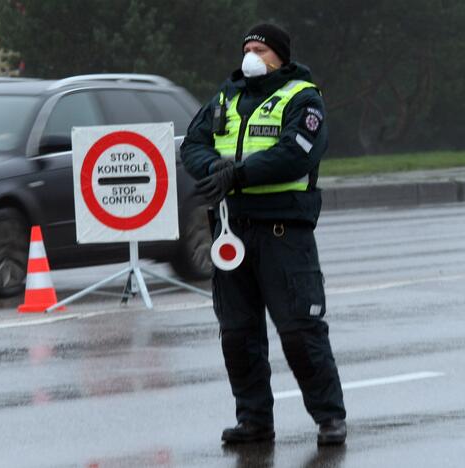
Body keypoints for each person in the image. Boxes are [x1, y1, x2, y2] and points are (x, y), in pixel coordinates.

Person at [180, 23, 347, 445]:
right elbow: (192, 145)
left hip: (282, 232)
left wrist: (237, 175)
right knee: (237, 333)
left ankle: (329, 418)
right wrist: (215, 172)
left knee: (299, 330)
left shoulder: (302, 97)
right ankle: (254, 420)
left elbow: (295, 153)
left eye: (260, 49)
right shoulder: (225, 96)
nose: (251, 55)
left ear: (280, 57)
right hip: (232, 232)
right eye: (247, 48)